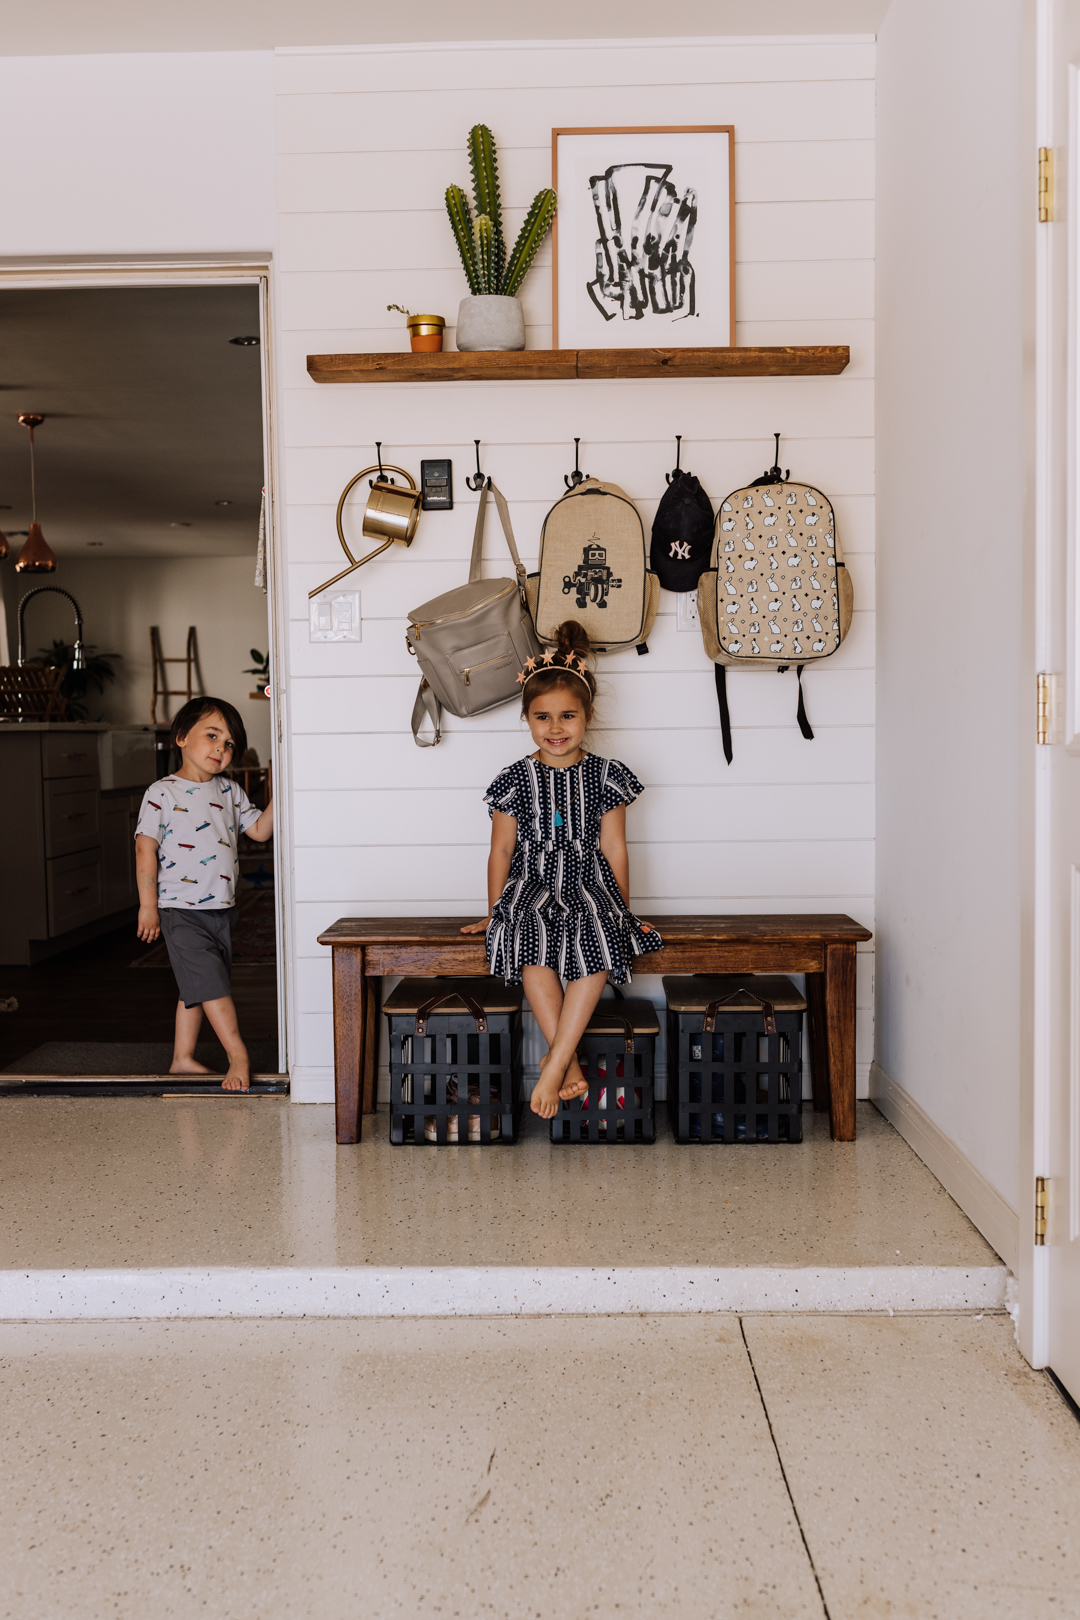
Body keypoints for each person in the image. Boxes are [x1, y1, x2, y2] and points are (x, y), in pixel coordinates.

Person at [462, 620, 662, 1118]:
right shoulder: (514, 779)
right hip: (530, 882)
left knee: (597, 931)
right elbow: (501, 853)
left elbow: (614, 848)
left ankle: (555, 1064)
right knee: (527, 934)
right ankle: (567, 1067)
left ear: (587, 716)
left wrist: (624, 912)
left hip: (588, 880)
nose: (555, 729)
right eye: (543, 717)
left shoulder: (606, 776)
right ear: (527, 718)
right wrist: (495, 912)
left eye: (567, 716)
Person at [134, 698, 274, 1092]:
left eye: (229, 743)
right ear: (181, 738)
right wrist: (148, 906)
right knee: (211, 983)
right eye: (212, 736)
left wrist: (285, 787)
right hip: (179, 909)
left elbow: (260, 831)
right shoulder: (162, 793)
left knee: (197, 985)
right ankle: (238, 1055)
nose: (221, 748)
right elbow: (145, 848)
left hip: (222, 909)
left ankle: (182, 1059)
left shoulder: (229, 791)